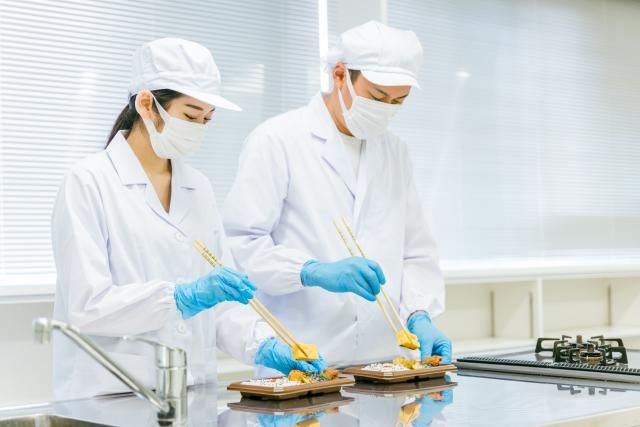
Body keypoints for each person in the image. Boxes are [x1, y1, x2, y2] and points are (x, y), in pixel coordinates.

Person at [51, 38, 324, 399]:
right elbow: (88, 305)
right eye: (191, 116)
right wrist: (178, 298)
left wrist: (265, 345)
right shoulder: (88, 182)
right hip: (112, 394)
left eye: (207, 119)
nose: (199, 128)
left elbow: (221, 307)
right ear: (146, 104)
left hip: (191, 392)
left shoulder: (198, 188)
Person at [223, 21, 451, 373]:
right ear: (340, 75)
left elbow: (416, 251)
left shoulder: (394, 151)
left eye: (398, 101)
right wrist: (309, 271)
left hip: (384, 364)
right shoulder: (277, 140)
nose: (386, 109)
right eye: (377, 97)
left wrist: (419, 312)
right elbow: (240, 245)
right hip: (304, 361)